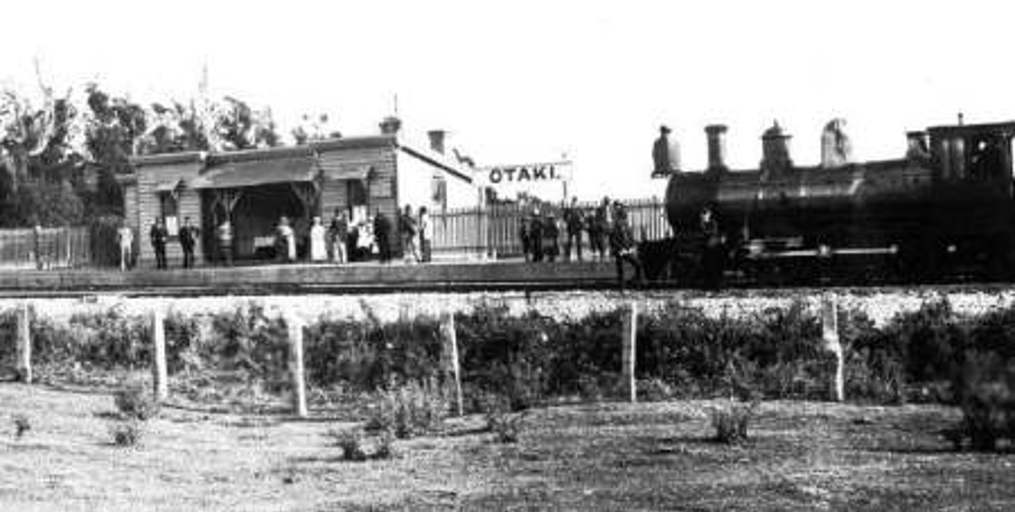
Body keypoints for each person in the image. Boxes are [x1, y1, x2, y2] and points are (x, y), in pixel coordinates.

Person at [610, 201, 644, 289]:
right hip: (620, 250)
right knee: (621, 268)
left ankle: (637, 282)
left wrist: (632, 246)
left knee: (638, 265)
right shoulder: (616, 224)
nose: (626, 215)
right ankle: (622, 285)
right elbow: (613, 238)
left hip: (626, 249)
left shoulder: (626, 224)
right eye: (625, 213)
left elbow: (630, 237)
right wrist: (620, 249)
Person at [700, 204, 724, 289]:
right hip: (709, 247)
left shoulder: (712, 223)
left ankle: (714, 284)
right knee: (708, 266)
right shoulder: (705, 223)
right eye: (704, 214)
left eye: (706, 214)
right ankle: (710, 283)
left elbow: (711, 232)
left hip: (712, 247)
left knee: (713, 266)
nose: (705, 216)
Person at [563, 196, 585, 262]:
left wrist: (582, 220)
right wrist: (567, 219)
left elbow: (583, 218)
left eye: (575, 201)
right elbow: (565, 217)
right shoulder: (568, 209)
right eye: (573, 201)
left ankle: (580, 256)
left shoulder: (580, 209)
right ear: (572, 201)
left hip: (578, 228)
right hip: (570, 228)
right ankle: (567, 256)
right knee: (569, 242)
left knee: (579, 243)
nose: (574, 202)